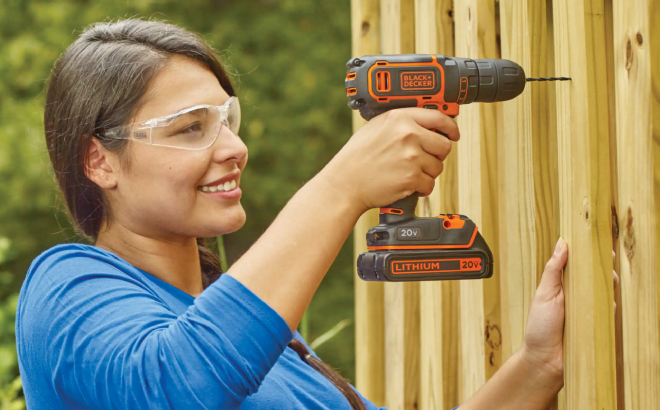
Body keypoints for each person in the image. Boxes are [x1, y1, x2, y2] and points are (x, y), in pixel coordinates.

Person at [15, 19, 615, 410]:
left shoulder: (278, 347)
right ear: (100, 160)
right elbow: (177, 386)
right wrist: (342, 186)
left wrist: (536, 366)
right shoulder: (65, 287)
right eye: (191, 128)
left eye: (227, 120)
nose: (233, 148)